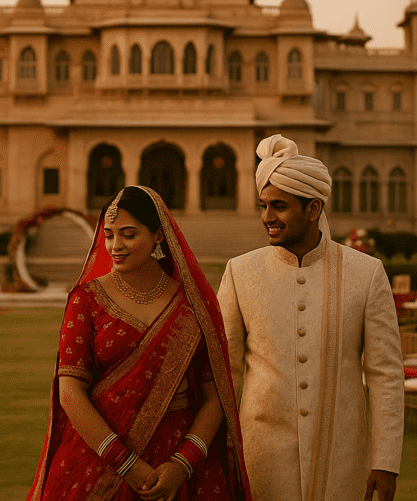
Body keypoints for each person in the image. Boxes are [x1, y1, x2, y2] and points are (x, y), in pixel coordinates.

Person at [28, 185, 252, 501]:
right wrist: (127, 465)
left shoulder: (192, 306)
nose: (115, 246)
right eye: (108, 235)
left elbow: (215, 396)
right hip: (100, 461)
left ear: (158, 235)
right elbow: (70, 393)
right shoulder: (86, 300)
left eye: (129, 234)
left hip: (180, 463)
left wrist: (182, 463)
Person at [216, 135, 404, 501]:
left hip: (341, 460)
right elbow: (225, 374)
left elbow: (386, 375)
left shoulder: (366, 273)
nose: (267, 217)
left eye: (279, 206)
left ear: (313, 208)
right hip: (260, 459)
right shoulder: (241, 273)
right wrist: (218, 453)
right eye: (264, 205)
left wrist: (385, 462)